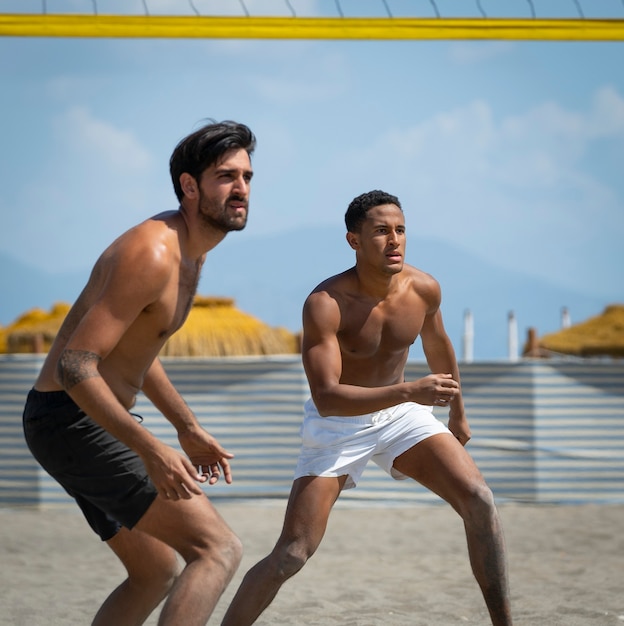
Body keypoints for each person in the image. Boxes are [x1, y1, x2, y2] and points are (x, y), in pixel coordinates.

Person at [221, 190, 513, 626]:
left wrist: (458, 413)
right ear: (353, 241)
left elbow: (438, 345)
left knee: (480, 499)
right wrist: (411, 392)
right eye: (380, 231)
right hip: (339, 424)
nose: (394, 240)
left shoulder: (424, 288)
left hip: (400, 414)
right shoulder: (326, 304)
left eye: (399, 230)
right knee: (293, 553)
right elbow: (327, 397)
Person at [22, 120, 256, 626]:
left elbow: (138, 353)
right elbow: (76, 365)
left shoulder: (192, 256)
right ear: (189, 186)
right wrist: (154, 452)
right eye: (225, 176)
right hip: (72, 419)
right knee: (217, 549)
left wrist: (187, 428)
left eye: (246, 176)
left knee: (155, 571)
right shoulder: (152, 253)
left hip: (73, 420)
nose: (241, 189)